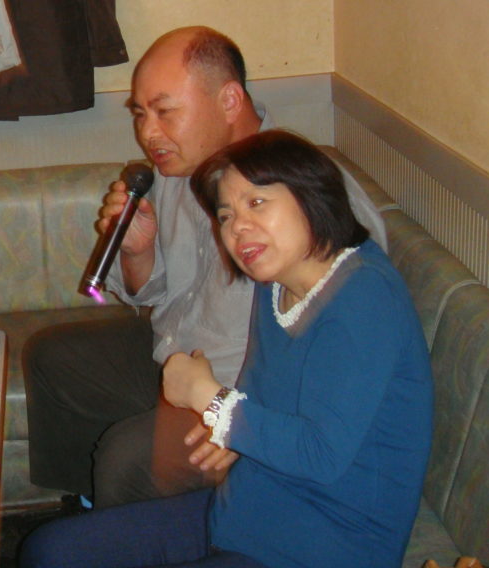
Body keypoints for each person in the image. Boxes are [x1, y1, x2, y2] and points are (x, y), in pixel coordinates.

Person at [20, 130, 432, 568]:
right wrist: (235, 434)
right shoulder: (277, 282)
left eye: (257, 203)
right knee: (50, 552)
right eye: (226, 215)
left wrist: (210, 400)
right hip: (247, 506)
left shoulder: (364, 298)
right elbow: (261, 385)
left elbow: (321, 454)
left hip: (325, 543)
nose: (238, 228)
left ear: (312, 196)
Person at [23, 27, 387, 509]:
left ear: (229, 101)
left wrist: (244, 424)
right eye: (140, 114)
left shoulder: (310, 191)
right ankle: (87, 505)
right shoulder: (176, 172)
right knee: (52, 356)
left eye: (165, 111)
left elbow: (348, 340)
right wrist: (137, 252)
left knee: (126, 458)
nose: (148, 133)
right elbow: (152, 293)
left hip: (244, 394)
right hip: (176, 356)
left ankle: (143, 526)